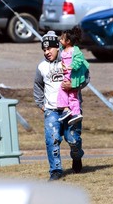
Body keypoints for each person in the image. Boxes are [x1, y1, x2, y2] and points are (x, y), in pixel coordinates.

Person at [34, 30, 87, 181]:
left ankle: (77, 157)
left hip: (71, 109)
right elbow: (37, 87)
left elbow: (86, 76)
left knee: (73, 139)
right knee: (52, 139)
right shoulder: (41, 67)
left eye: (49, 48)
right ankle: (55, 170)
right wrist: (41, 105)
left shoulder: (69, 58)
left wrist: (75, 84)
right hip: (51, 110)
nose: (47, 52)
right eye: (44, 50)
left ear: (57, 47)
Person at [57, 26, 90, 125]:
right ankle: (75, 113)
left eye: (62, 39)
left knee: (64, 91)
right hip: (66, 75)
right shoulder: (63, 50)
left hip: (73, 77)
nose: (60, 40)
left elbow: (79, 60)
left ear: (68, 41)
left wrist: (72, 66)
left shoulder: (75, 50)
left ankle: (66, 109)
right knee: (71, 95)